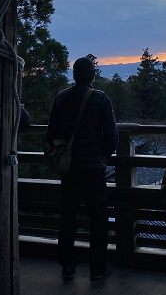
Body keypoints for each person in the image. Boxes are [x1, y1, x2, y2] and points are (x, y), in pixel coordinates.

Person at [46, 57, 118, 282]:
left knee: (68, 216)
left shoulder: (61, 98)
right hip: (94, 168)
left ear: (74, 75)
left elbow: (51, 134)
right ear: (93, 75)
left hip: (69, 169)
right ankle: (97, 267)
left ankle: (68, 265)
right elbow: (112, 137)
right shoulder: (100, 98)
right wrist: (103, 156)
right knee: (98, 218)